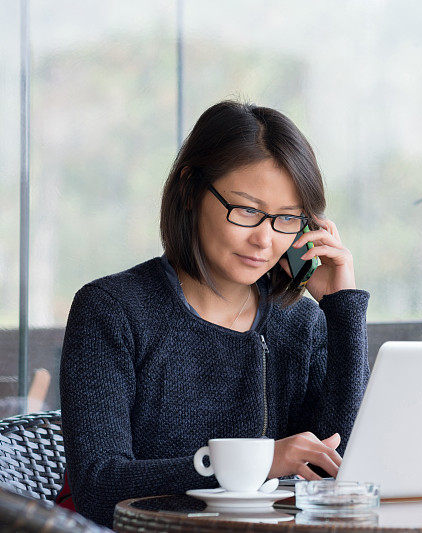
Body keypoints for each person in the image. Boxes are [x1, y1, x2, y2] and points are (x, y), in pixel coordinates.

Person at [57, 101, 370, 527]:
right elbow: (99, 486)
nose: (264, 239)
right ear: (190, 190)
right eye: (246, 210)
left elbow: (335, 472)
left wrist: (341, 310)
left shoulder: (300, 324)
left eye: (286, 219)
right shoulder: (112, 310)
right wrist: (262, 460)